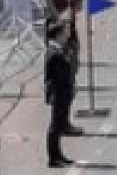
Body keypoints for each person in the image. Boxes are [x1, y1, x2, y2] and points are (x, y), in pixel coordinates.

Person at [43, 26, 75, 168]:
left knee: (59, 125)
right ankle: (53, 158)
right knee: (55, 127)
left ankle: (59, 155)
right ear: (57, 35)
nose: (66, 36)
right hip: (59, 92)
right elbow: (60, 75)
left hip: (62, 92)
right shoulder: (53, 53)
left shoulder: (58, 50)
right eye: (64, 34)